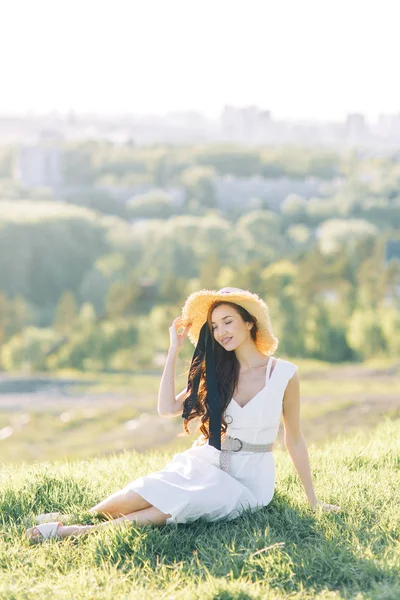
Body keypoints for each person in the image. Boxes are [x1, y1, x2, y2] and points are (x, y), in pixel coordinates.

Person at [26, 287, 340, 543]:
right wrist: (173, 350)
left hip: (248, 482)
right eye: (215, 326)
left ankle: (81, 533)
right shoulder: (217, 372)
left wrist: (313, 501)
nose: (221, 332)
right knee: (135, 496)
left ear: (249, 323)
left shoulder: (284, 375)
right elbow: (167, 409)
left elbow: (295, 439)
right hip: (206, 462)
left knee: (178, 504)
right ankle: (79, 516)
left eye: (228, 322)